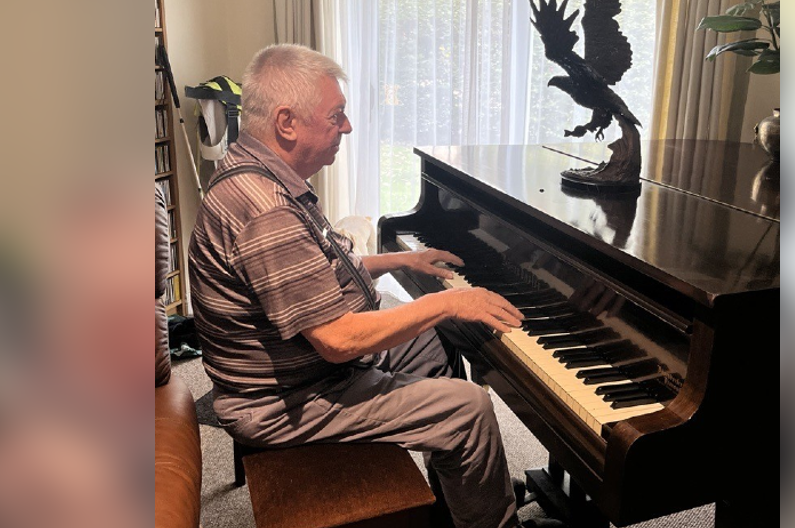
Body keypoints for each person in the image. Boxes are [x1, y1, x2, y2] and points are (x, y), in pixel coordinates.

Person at [188, 44, 556, 528]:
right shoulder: (267, 210)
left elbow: (317, 264)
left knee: (431, 346)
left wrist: (405, 258)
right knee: (469, 407)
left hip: (301, 370)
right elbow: (338, 341)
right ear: (286, 123)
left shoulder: (254, 170)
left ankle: (461, 493)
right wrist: (449, 302)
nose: (348, 127)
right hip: (286, 402)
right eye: (336, 115)